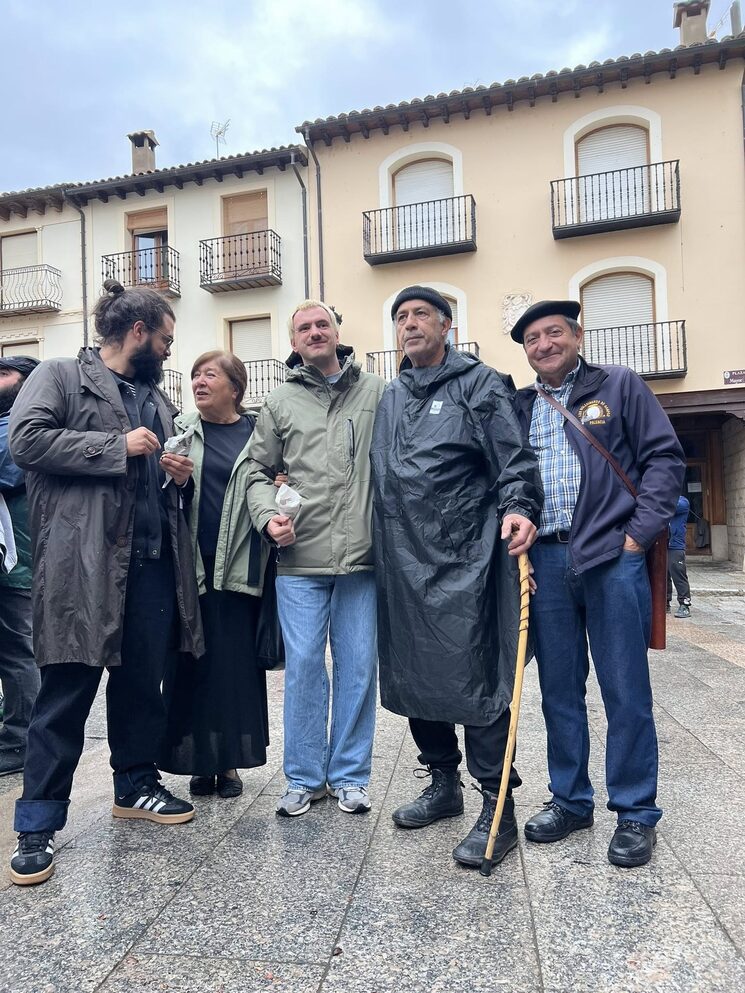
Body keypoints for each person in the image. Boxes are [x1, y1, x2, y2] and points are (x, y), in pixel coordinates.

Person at [7, 279, 204, 886]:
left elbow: (157, 475)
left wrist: (176, 474)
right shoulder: (62, 375)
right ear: (138, 332)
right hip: (82, 566)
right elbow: (25, 440)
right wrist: (113, 445)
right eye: (166, 339)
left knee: (143, 685)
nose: (172, 351)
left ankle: (135, 785)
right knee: (65, 690)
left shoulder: (154, 398)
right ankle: (36, 823)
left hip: (151, 565)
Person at [371, 285, 543, 869]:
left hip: (467, 559)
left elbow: (514, 460)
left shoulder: (481, 383)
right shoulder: (392, 395)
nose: (410, 323)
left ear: (447, 325)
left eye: (421, 314)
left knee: (478, 678)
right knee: (418, 674)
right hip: (402, 558)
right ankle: (442, 785)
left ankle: (498, 809)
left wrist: (520, 507)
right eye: (401, 317)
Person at [511, 299, 685, 868]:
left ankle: (635, 813)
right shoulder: (521, 406)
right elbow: (510, 480)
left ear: (577, 335)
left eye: (553, 332)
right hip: (547, 561)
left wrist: (637, 538)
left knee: (625, 689)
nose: (543, 344)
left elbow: (664, 460)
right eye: (532, 338)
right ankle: (570, 801)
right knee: (559, 691)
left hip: (613, 558)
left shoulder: (620, 386)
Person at [247, 300, 385, 817]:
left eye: (321, 323)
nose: (313, 332)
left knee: (357, 667)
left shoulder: (378, 391)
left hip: (363, 560)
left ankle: (350, 775)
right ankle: (303, 777)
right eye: (303, 327)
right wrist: (266, 518)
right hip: (299, 558)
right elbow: (256, 471)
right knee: (304, 667)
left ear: (337, 331)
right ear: (294, 341)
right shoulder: (279, 402)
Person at [159, 350, 269, 798]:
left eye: (210, 374)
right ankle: (199, 763)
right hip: (190, 568)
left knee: (234, 671)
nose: (199, 381)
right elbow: (165, 494)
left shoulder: (257, 434)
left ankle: (229, 765)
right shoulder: (181, 429)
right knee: (192, 666)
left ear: (235, 388)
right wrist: (177, 481)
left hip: (240, 568)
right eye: (195, 374)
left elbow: (271, 482)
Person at [0, 356, 42, 777]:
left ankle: (22, 740)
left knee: (18, 651)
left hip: (19, 562)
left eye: (3, 373)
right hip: (13, 560)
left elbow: (7, 471)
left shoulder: (21, 424)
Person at [668, 495, 692, 618]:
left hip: (676, 545)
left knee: (678, 574)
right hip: (660, 544)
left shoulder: (682, 501)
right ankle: (664, 603)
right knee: (661, 575)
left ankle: (684, 604)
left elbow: (667, 507)